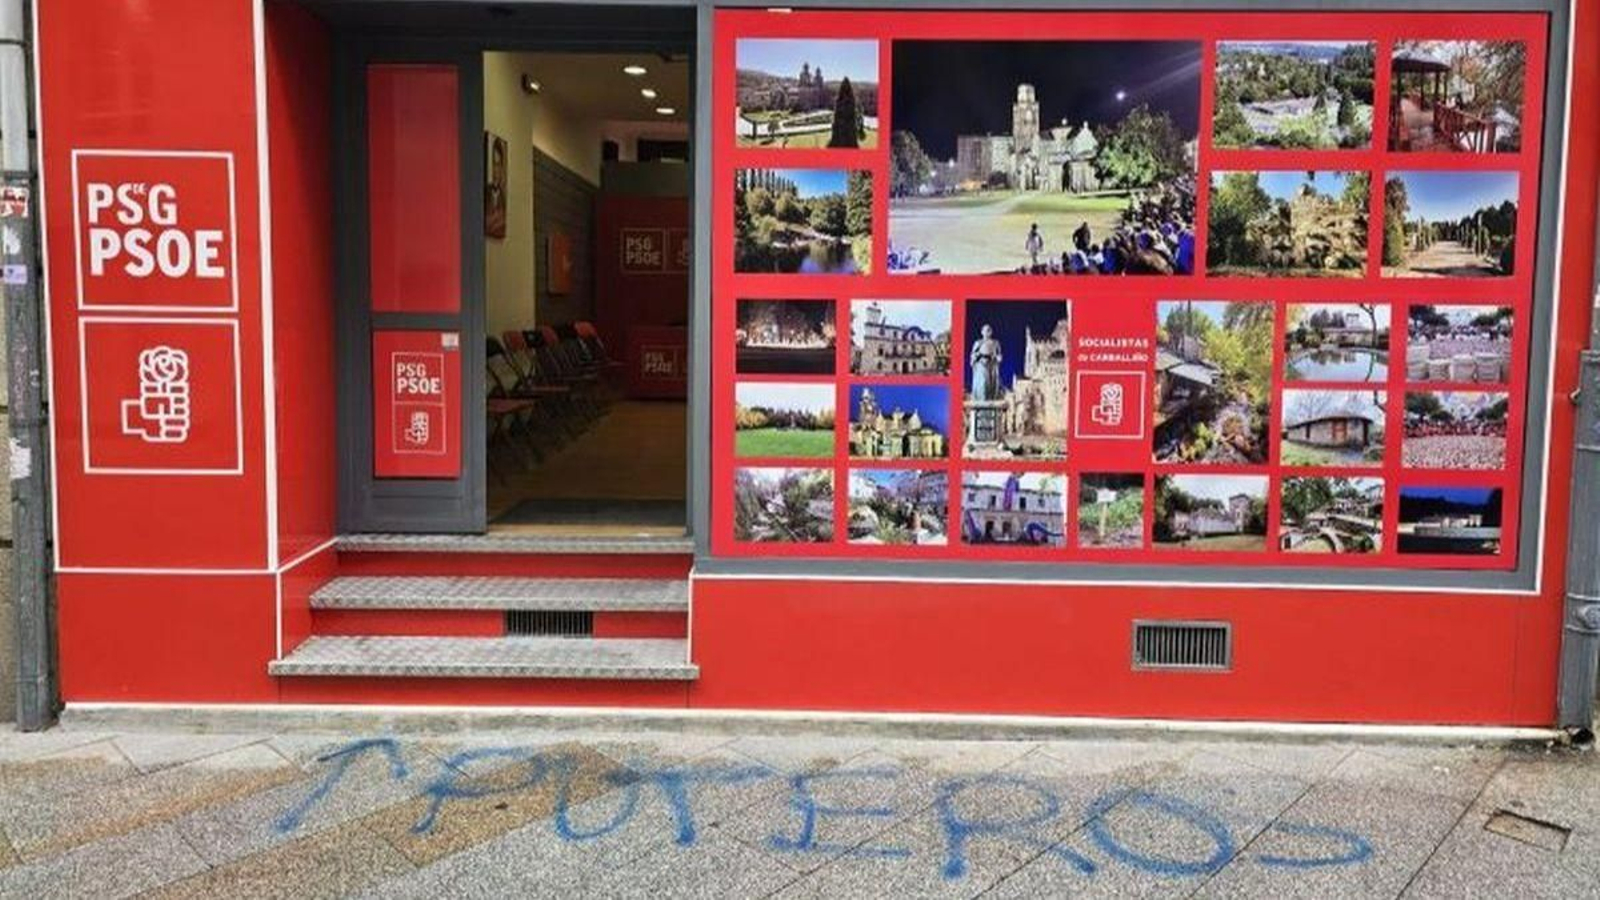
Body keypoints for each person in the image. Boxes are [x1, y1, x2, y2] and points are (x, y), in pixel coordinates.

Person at [970, 324, 1003, 401]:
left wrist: (998, 358)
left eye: (989, 330)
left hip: (992, 364)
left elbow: (999, 354)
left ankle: (990, 400)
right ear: (982, 332)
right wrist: (977, 355)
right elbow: (973, 354)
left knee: (991, 383)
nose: (987, 332)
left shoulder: (995, 343)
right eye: (985, 330)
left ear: (991, 332)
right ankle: (982, 400)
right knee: (983, 382)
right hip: (981, 364)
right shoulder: (978, 342)